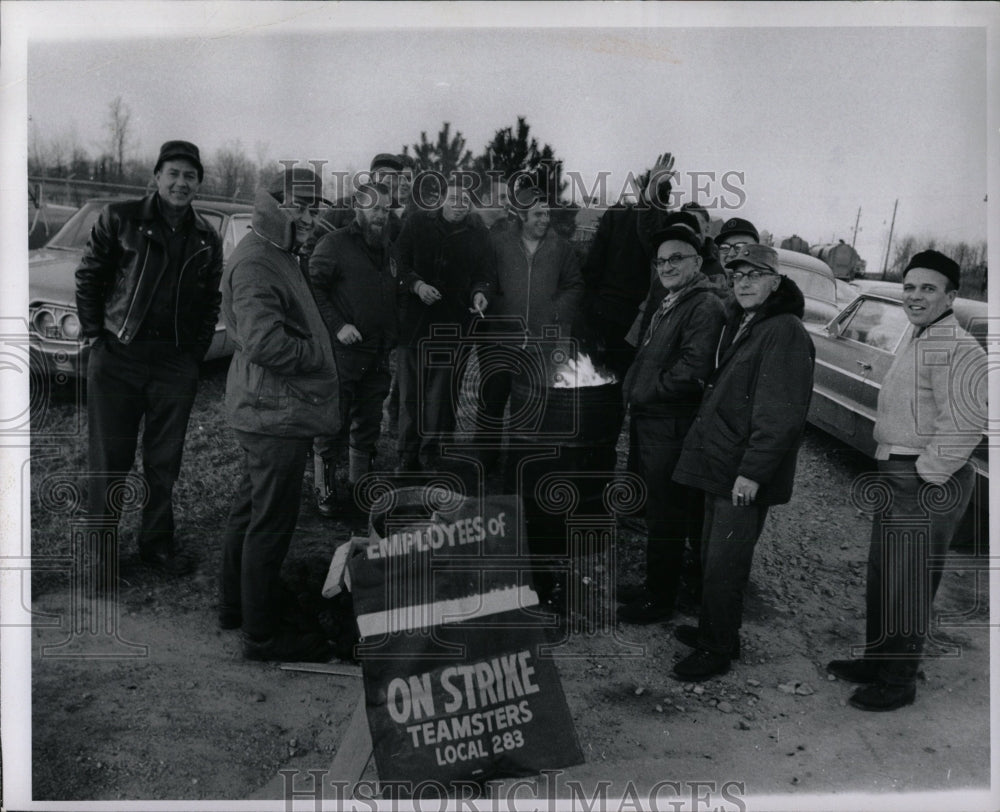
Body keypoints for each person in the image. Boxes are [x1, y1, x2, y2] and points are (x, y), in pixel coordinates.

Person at [827, 250, 987, 711]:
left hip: (926, 480)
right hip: (900, 472)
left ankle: (899, 681)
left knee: (908, 581)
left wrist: (925, 475)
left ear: (951, 296)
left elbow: (965, 421)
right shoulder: (919, 336)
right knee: (885, 575)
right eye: (910, 286)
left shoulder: (955, 347)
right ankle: (881, 661)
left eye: (928, 288)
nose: (915, 296)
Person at [75, 140, 223, 581]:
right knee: (109, 459)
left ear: (198, 183)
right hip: (118, 356)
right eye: (173, 173)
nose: (181, 182)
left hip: (173, 365)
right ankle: (100, 561)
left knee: (164, 462)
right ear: (156, 177)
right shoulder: (121, 218)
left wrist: (192, 357)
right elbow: (89, 275)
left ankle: (156, 545)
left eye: (190, 175)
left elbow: (211, 302)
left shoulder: (206, 237)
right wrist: (95, 335)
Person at [671, 244, 814, 680]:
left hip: (740, 474)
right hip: (721, 465)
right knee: (715, 558)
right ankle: (719, 633)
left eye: (756, 274)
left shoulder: (784, 330)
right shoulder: (748, 321)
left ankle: (716, 651)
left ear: (776, 281)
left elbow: (781, 415)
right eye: (738, 275)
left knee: (725, 563)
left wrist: (753, 472)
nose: (745, 282)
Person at [219, 165, 338, 662]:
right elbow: (266, 342)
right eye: (304, 207)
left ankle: (238, 608)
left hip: (267, 409)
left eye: (317, 208)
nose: (312, 217)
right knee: (270, 524)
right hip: (274, 417)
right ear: (277, 205)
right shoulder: (257, 262)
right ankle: (263, 636)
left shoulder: (276, 252)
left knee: (250, 513)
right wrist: (318, 354)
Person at [617, 213, 726, 624]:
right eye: (661, 262)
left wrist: (647, 390)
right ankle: (654, 586)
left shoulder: (704, 306)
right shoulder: (673, 300)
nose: (667, 267)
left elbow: (694, 368)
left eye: (676, 259)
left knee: (667, 515)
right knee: (657, 512)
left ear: (698, 263)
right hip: (654, 422)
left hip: (672, 426)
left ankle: (659, 599)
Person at [310, 182, 404, 518]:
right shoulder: (334, 244)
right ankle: (325, 492)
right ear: (358, 208)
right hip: (343, 356)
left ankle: (358, 490)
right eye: (375, 207)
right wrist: (338, 326)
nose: (381, 215)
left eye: (386, 208)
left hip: (377, 357)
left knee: (367, 425)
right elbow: (312, 289)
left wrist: (391, 333)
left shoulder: (389, 249)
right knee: (332, 424)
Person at [473, 185, 585, 453]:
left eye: (546, 214)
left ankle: (519, 461)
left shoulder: (561, 248)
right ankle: (483, 460)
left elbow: (575, 285)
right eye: (537, 214)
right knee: (492, 401)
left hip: (538, 345)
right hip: (499, 340)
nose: (544, 219)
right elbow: (484, 278)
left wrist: (555, 311)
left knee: (530, 406)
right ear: (521, 216)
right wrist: (481, 293)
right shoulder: (499, 243)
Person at [394, 177, 494, 473]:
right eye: (454, 197)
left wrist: (480, 293)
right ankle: (406, 457)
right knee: (410, 397)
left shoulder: (479, 234)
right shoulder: (416, 224)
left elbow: (486, 275)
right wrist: (416, 285)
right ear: (441, 197)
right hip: (414, 326)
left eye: (465, 199)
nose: (459, 204)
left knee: (440, 398)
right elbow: (396, 262)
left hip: (452, 327)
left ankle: (429, 457)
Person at [580, 153, 676, 379]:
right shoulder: (666, 227)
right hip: (632, 320)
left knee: (591, 379)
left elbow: (592, 267)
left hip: (603, 311)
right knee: (617, 382)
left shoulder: (616, 214)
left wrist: (587, 309)